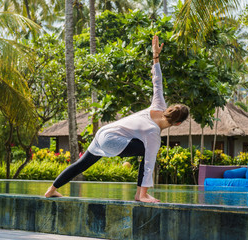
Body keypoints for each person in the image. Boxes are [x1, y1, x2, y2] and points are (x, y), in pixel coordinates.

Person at [45, 35, 189, 203]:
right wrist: (142, 194)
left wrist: (155, 56)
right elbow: (148, 164)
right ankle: (141, 195)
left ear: (169, 109)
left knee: (82, 164)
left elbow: (158, 82)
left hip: (104, 132)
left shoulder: (158, 105)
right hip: (112, 140)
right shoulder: (153, 135)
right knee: (147, 151)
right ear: (178, 124)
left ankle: (51, 190)